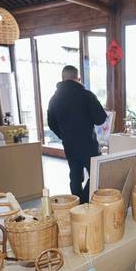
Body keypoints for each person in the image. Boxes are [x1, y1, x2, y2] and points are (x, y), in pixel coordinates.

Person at [47, 65, 107, 203]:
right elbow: (100, 119)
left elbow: (51, 123)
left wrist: (63, 135)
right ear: (78, 78)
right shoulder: (86, 95)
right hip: (88, 144)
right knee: (97, 173)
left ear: (62, 78)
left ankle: (76, 204)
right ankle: (84, 202)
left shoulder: (54, 99)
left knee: (75, 176)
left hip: (69, 144)